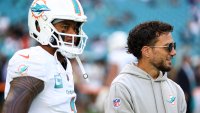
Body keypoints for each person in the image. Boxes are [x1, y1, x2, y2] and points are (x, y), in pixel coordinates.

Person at [2, 0, 88, 113]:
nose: (73, 34)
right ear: (39, 26)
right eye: (65, 26)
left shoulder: (63, 61)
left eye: (76, 27)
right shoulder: (34, 60)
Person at [104, 21, 187, 113]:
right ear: (146, 51)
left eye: (173, 46)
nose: (173, 52)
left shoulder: (175, 89)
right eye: (168, 47)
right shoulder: (122, 87)